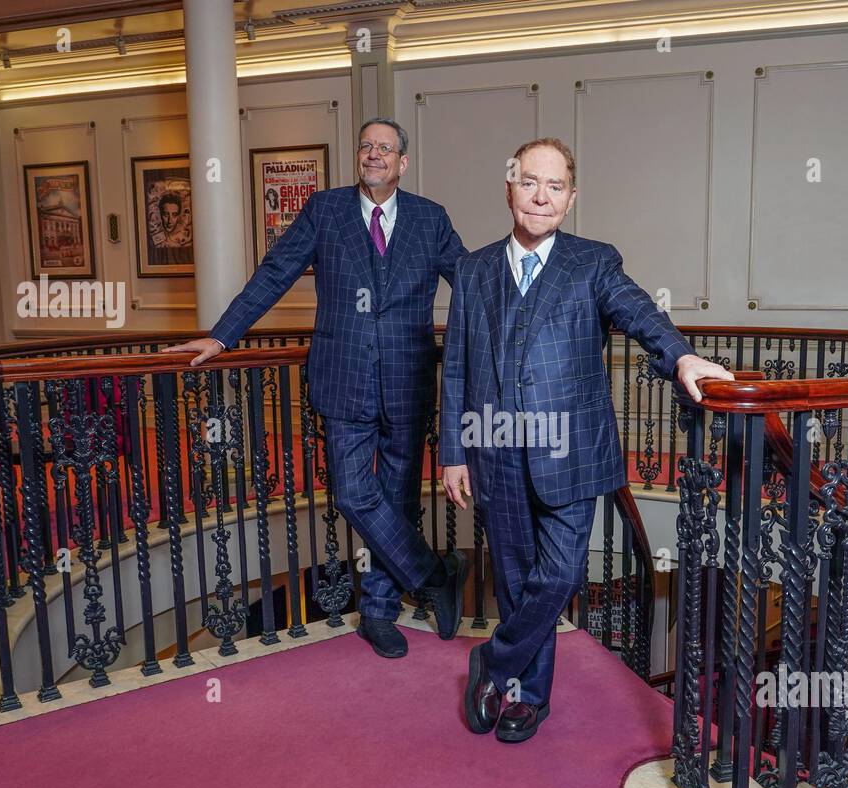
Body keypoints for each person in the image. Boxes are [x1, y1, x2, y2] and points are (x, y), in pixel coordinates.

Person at [440, 137, 735, 743]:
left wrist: (680, 357)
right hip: (494, 451)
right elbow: (456, 367)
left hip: (569, 453)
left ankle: (492, 662)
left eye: (554, 186)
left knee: (560, 576)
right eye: (529, 182)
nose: (540, 196)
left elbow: (637, 310)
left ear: (570, 200)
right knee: (519, 582)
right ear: (509, 188)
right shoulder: (472, 270)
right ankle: (526, 697)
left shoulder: (593, 262)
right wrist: (452, 452)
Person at [164, 118, 470, 659]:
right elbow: (275, 271)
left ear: (402, 163)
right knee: (353, 494)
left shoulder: (430, 219)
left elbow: (469, 285)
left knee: (397, 500)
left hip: (409, 381)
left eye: (386, 148)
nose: (373, 154)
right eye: (366, 146)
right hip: (343, 380)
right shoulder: (324, 210)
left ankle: (378, 611)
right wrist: (222, 335)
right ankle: (434, 573)